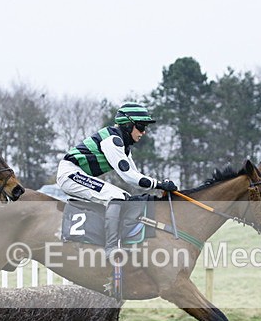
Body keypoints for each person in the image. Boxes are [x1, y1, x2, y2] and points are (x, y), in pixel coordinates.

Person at [56, 102, 177, 257]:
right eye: (141, 127)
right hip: (70, 173)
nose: (144, 132)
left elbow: (135, 176)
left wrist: (160, 184)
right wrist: (159, 184)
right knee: (116, 197)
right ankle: (111, 248)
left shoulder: (124, 146)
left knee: (124, 197)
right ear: (127, 125)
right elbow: (129, 176)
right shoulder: (112, 141)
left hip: (77, 173)